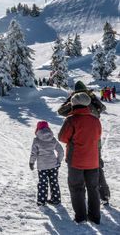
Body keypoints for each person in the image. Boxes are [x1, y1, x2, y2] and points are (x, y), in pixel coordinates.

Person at [57, 81, 110, 205]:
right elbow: (102, 108)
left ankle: (90, 199)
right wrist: (92, 97)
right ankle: (104, 195)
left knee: (81, 170)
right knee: (96, 166)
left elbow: (61, 111)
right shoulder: (91, 101)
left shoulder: (75, 104)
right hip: (94, 139)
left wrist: (71, 98)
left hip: (80, 138)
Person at [58, 92, 102, 224]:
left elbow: (62, 137)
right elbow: (98, 136)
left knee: (77, 188)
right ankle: (95, 217)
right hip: (93, 160)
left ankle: (81, 217)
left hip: (76, 160)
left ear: (74, 104)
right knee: (93, 188)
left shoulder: (71, 119)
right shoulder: (95, 119)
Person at [29, 121, 64, 206]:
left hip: (42, 167)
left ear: (37, 129)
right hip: (53, 165)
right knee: (54, 182)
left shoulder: (36, 140)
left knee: (43, 183)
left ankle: (41, 201)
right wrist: (58, 161)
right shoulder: (52, 139)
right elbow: (61, 151)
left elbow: (34, 153)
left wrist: (31, 162)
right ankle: (56, 199)